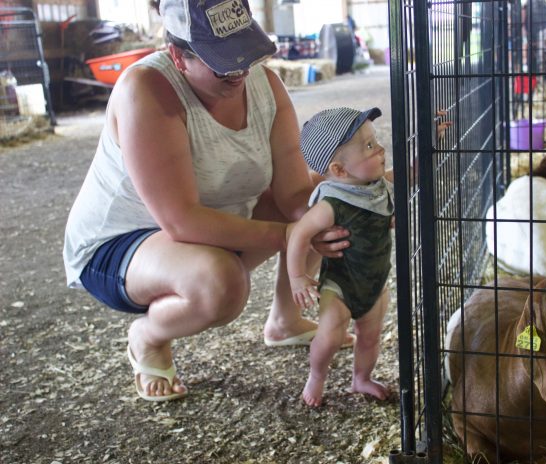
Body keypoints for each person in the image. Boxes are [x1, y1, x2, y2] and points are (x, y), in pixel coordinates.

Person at [62, 0, 351, 402]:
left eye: (243, 55)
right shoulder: (146, 90)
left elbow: (294, 194)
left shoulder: (265, 85)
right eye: (221, 62)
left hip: (206, 223)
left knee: (325, 200)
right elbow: (181, 221)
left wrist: (341, 214)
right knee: (222, 284)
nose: (238, 72)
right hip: (122, 242)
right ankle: (147, 336)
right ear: (177, 55)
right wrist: (294, 235)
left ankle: (285, 320)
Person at [287, 107, 394, 407]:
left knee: (370, 337)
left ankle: (361, 378)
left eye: (376, 141)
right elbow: (299, 235)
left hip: (374, 280)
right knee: (330, 337)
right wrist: (297, 277)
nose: (381, 149)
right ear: (339, 171)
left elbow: (410, 172)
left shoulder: (376, 186)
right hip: (340, 285)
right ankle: (316, 376)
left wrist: (431, 139)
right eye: (370, 146)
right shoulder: (332, 203)